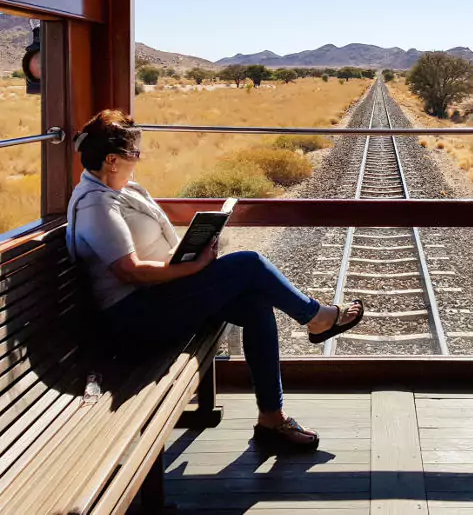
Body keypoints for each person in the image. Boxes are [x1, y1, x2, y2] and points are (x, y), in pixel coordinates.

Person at [66, 110, 363, 450]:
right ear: (112, 160)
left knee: (254, 304)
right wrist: (195, 268)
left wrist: (193, 251)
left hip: (159, 297)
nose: (140, 155)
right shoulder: (96, 206)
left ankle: (271, 418)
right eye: (134, 150)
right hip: (135, 317)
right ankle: (317, 318)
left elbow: (149, 255)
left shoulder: (124, 190)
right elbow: (130, 271)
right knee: (249, 263)